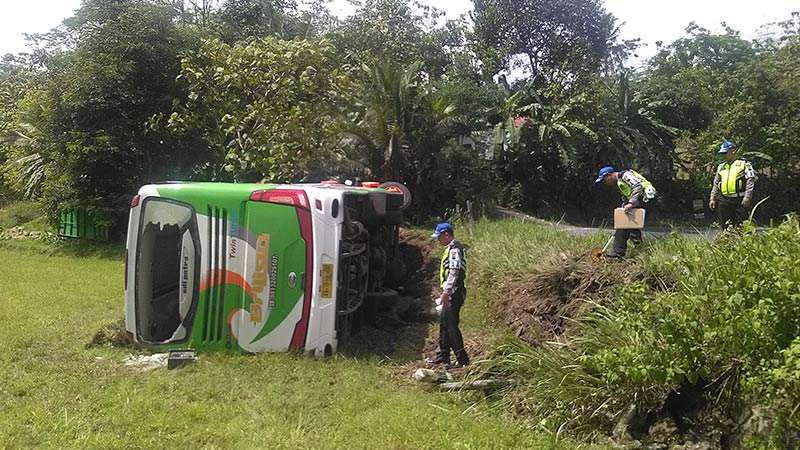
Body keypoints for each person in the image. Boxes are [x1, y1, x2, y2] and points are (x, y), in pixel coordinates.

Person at [426, 222, 469, 369]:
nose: (438, 241)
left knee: (451, 326)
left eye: (439, 237)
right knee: (444, 325)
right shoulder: (449, 248)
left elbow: (454, 272)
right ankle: (443, 356)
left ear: (446, 235)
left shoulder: (454, 249)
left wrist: (446, 292)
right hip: (450, 292)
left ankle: (462, 359)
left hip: (454, 293)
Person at [595, 166, 657, 258]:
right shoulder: (619, 182)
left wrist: (631, 203)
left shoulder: (625, 175)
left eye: (604, 180)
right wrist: (623, 207)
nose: (605, 183)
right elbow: (626, 196)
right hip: (640, 199)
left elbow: (637, 186)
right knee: (632, 225)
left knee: (624, 224)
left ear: (609, 175)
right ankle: (639, 250)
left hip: (645, 198)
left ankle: (618, 252)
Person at [709, 141, 755, 229]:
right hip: (724, 200)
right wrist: (712, 198)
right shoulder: (721, 167)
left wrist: (747, 196)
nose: (724, 155)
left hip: (739, 199)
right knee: (725, 227)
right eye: (722, 153)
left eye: (725, 153)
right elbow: (716, 184)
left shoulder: (745, 164)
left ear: (733, 151)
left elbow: (750, 180)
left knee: (742, 227)